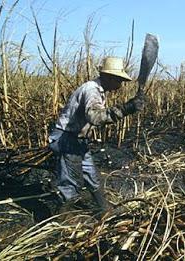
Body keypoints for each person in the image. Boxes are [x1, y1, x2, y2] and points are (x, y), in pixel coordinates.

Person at [48, 56, 144, 213]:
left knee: (92, 177)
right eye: (118, 80)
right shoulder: (92, 90)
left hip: (77, 140)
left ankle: (105, 211)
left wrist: (130, 106)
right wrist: (127, 108)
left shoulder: (99, 90)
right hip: (66, 139)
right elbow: (95, 116)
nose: (120, 84)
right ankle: (61, 221)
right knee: (72, 183)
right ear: (108, 77)